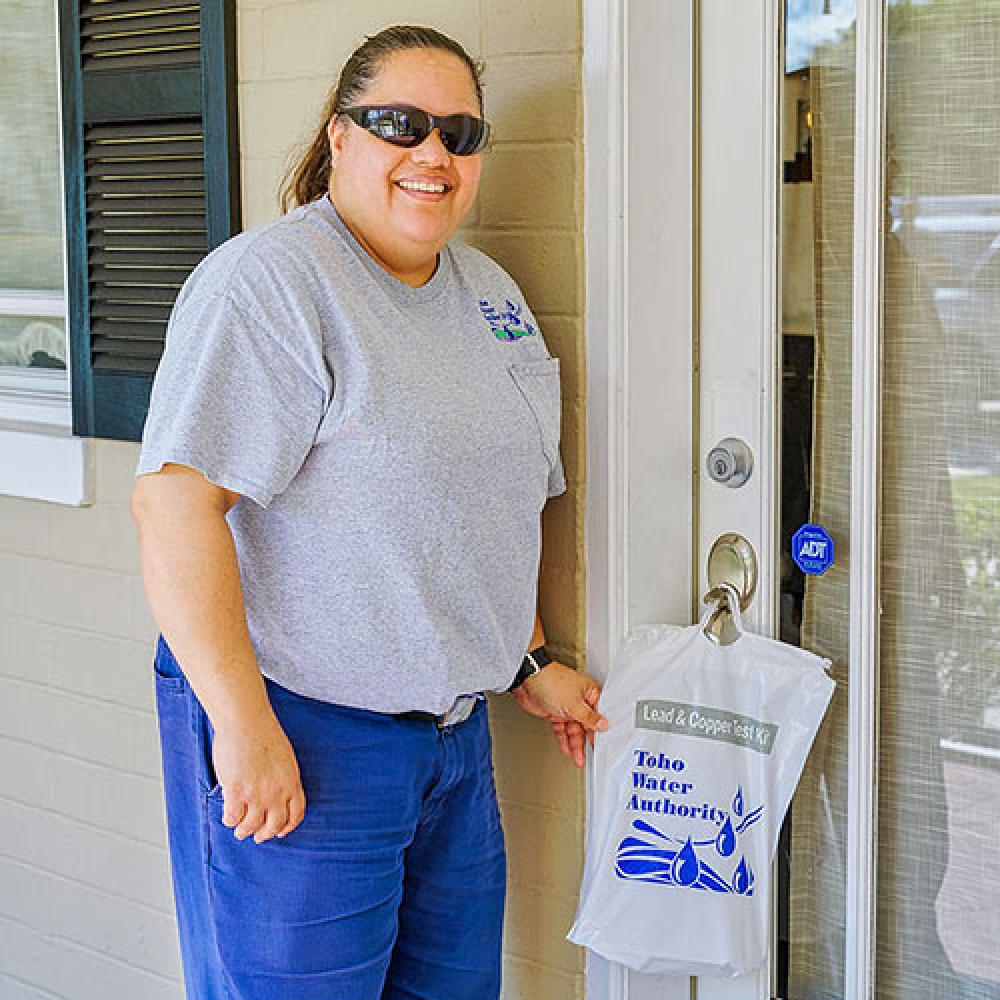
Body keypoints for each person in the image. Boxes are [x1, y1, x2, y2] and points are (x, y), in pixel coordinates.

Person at [130, 24, 608, 1000]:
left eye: (459, 133)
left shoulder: (491, 297)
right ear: (340, 137)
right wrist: (243, 725)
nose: (432, 153)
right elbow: (175, 502)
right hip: (307, 730)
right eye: (399, 124)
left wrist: (529, 659)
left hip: (450, 746)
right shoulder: (273, 285)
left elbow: (488, 506)